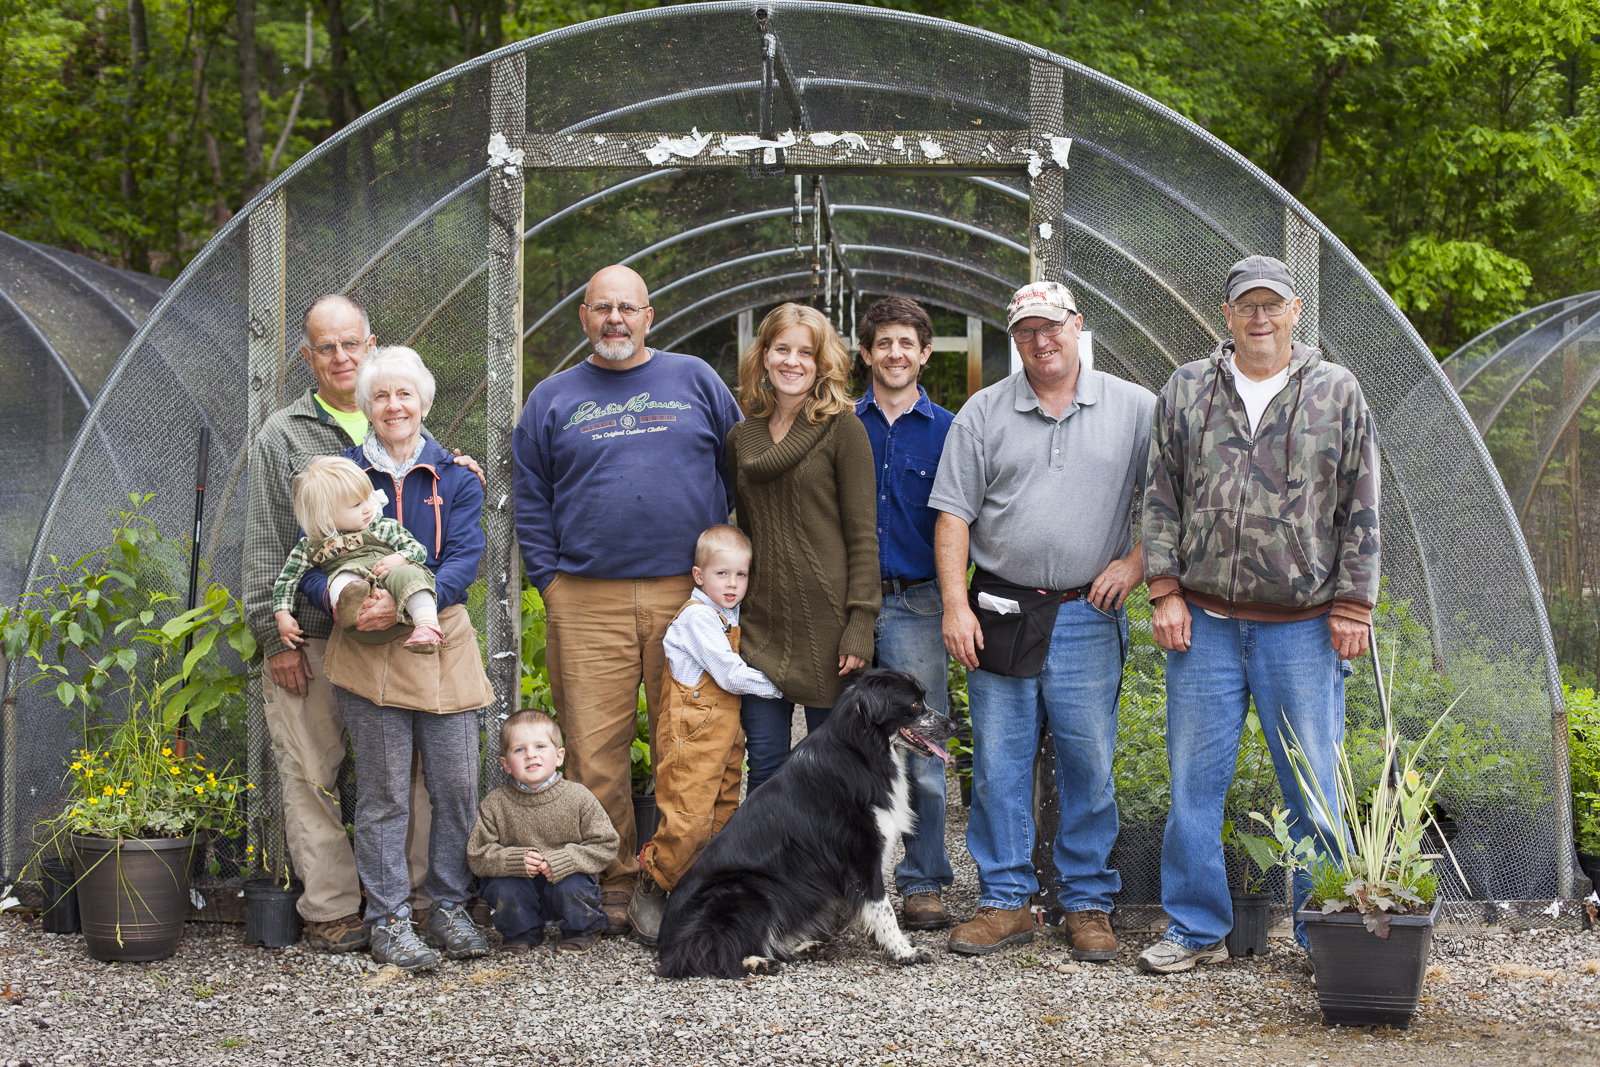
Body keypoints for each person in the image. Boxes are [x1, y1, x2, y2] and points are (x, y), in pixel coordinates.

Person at [1138, 254, 1379, 975]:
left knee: (1314, 788)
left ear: (1296, 311)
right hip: (1204, 624)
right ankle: (1193, 926)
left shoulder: (1336, 390)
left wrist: (1353, 603)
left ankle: (1321, 932)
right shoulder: (1185, 388)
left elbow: (1361, 503)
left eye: (1273, 304)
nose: (1261, 317)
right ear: (1228, 314)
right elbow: (1159, 495)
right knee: (1192, 787)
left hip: (1303, 627)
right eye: (1248, 304)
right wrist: (1164, 590)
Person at [512, 264, 743, 935]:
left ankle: (681, 880)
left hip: (686, 593)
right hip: (586, 597)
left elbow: (738, 470)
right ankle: (612, 883)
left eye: (628, 308)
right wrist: (551, 583)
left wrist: (726, 580)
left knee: (693, 743)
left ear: (650, 316)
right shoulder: (552, 397)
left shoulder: (695, 379)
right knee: (594, 750)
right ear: (583, 316)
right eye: (602, 308)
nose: (615, 319)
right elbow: (531, 495)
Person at [930, 281, 1154, 961]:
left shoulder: (1135, 409)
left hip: (1089, 609)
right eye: (1026, 330)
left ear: (1077, 325)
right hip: (999, 610)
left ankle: (1086, 901)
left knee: (1087, 759)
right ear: (1015, 337)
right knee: (999, 761)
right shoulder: (984, 412)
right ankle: (1005, 900)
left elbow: (1174, 502)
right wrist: (954, 604)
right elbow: (953, 516)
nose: (1040, 340)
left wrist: (1135, 564)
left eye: (1051, 326)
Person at [243, 294, 447, 952]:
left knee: (406, 772)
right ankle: (333, 908)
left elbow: (433, 501)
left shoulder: (395, 409)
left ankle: (411, 900)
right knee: (312, 771)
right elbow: (268, 542)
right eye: (325, 347)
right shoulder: (284, 434)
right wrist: (275, 636)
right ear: (307, 355)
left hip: (394, 636)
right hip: (317, 637)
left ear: (371, 342)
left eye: (350, 343)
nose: (340, 356)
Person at [302, 345, 496, 973]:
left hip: (442, 638)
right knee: (384, 792)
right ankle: (388, 916)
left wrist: (422, 595)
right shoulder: (339, 476)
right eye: (381, 396)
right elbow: (306, 565)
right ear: (366, 406)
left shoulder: (457, 478)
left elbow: (467, 556)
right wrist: (351, 606)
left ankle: (447, 905)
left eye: (404, 394)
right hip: (367, 649)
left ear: (424, 402)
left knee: (456, 785)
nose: (393, 406)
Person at [726, 303, 880, 793]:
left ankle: (835, 872)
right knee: (766, 769)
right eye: (782, 349)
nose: (792, 362)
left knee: (833, 776)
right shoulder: (741, 438)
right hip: (761, 628)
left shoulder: (843, 429)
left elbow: (862, 536)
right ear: (765, 356)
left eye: (805, 353)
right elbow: (748, 536)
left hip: (831, 630)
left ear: (821, 363)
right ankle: (766, 873)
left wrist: (860, 624)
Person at [854, 296, 957, 931]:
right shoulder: (839, 425)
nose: (895, 354)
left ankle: (923, 883)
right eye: (883, 343)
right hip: (851, 600)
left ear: (924, 353)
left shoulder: (949, 430)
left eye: (907, 343)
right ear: (865, 353)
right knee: (841, 742)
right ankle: (849, 879)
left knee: (922, 744)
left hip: (918, 600)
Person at [629, 525, 785, 944]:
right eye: (722, 575)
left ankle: (697, 896)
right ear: (699, 576)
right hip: (692, 737)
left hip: (724, 738)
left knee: (721, 817)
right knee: (688, 818)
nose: (733, 584)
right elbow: (730, 675)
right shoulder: (697, 617)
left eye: (741, 575)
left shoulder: (727, 615)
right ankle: (655, 881)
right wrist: (784, 684)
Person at [469, 710, 620, 955]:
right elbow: (477, 855)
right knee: (504, 887)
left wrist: (564, 860)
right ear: (505, 764)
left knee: (572, 884)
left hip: (566, 884)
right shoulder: (494, 804)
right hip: (520, 888)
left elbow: (607, 844)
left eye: (540, 746)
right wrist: (513, 861)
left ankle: (583, 929)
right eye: (519, 750)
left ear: (559, 756)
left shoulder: (578, 797)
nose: (531, 754)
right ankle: (521, 933)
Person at [273, 456, 442, 655]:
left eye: (368, 498)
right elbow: (287, 578)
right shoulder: (311, 546)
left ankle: (427, 625)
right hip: (364, 624)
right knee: (343, 576)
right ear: (326, 515)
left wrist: (400, 558)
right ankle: (346, 604)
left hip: (402, 606)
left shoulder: (383, 527)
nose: (368, 508)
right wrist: (282, 614)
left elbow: (418, 550)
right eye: (356, 505)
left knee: (408, 574)